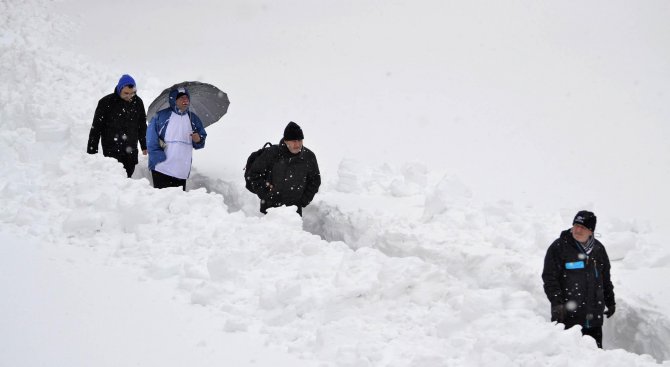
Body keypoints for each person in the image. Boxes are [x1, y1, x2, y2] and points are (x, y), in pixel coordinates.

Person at [541, 210, 616, 348]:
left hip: (594, 319)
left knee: (596, 357)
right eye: (576, 225)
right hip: (567, 316)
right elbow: (550, 278)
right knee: (569, 357)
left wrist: (610, 300)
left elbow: (605, 278)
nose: (577, 229)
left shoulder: (598, 250)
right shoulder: (559, 247)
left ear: (591, 231)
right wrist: (557, 303)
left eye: (582, 227)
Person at [247, 121, 321, 215]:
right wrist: (265, 193)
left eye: (300, 140)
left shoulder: (308, 156)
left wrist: (303, 200)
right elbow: (253, 174)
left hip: (294, 212)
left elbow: (315, 180)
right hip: (270, 210)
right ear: (286, 141)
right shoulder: (271, 154)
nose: (297, 145)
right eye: (294, 141)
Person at [146, 87, 207, 190]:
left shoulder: (193, 118)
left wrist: (198, 140)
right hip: (162, 167)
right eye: (182, 98)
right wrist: (158, 157)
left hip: (181, 170)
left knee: (178, 203)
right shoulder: (161, 116)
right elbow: (151, 138)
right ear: (174, 100)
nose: (185, 100)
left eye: (187, 97)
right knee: (161, 201)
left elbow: (201, 139)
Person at [87, 74, 147, 178]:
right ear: (119, 89)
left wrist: (144, 145)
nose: (129, 96)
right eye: (126, 93)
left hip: (131, 150)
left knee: (128, 178)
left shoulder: (138, 102)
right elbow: (96, 129)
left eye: (132, 93)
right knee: (114, 178)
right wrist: (92, 152)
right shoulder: (106, 102)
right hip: (112, 150)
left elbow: (142, 125)